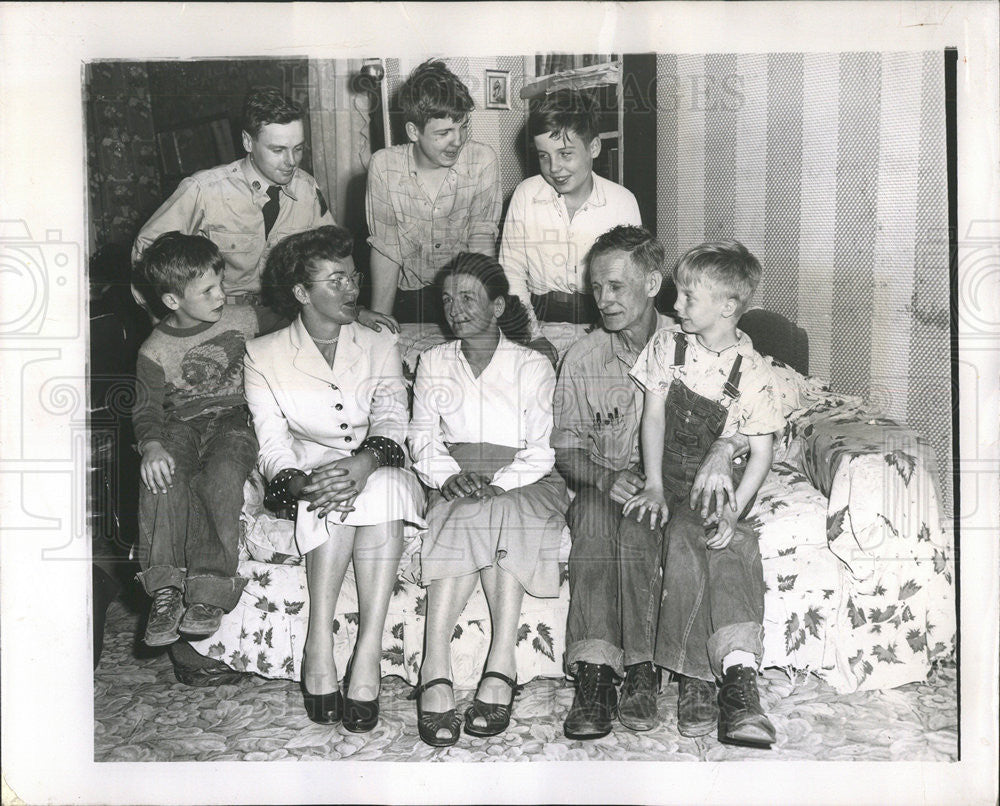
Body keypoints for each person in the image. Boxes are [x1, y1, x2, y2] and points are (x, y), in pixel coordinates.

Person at [553, 225, 747, 741]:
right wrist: (606, 476)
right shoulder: (582, 359)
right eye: (596, 287)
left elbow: (753, 415)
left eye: (616, 286)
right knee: (594, 518)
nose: (604, 299)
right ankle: (598, 674)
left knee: (702, 526)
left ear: (654, 283)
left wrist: (725, 451)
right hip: (610, 486)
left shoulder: (705, 339)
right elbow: (566, 449)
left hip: (681, 484)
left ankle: (694, 675)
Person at [244, 225, 426, 731]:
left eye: (353, 278)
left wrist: (365, 462)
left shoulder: (377, 343)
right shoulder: (263, 355)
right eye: (336, 281)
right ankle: (318, 643)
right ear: (302, 293)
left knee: (384, 489)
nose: (353, 291)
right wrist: (303, 483)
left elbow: (392, 417)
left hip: (380, 463)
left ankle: (366, 652)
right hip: (311, 476)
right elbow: (273, 444)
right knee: (332, 491)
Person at [621, 239, 785, 749]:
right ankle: (641, 669)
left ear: (728, 306)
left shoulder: (753, 372)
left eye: (689, 297)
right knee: (633, 529)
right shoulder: (666, 347)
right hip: (662, 472)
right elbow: (652, 417)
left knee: (694, 539)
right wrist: (651, 483)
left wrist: (734, 512)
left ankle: (696, 677)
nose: (675, 306)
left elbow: (761, 453)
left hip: (712, 489)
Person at [407, 252, 568, 746]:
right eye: (448, 299)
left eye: (469, 299)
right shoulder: (433, 361)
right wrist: (447, 476)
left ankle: (501, 662)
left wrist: (500, 482)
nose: (455, 309)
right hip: (456, 471)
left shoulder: (533, 364)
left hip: (526, 476)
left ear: (498, 306)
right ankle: (435, 665)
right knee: (465, 507)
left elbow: (541, 450)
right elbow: (421, 438)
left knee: (496, 507)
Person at [132, 232, 262, 647]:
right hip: (180, 425)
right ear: (173, 301)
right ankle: (166, 590)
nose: (221, 295)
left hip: (234, 418)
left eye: (220, 283)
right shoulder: (153, 350)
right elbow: (147, 409)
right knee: (163, 479)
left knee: (222, 476)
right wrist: (151, 445)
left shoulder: (245, 318)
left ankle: (207, 590)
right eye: (207, 290)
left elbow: (303, 309)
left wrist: (363, 312)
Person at [135, 87, 339, 310]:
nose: (291, 161)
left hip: (286, 310)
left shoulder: (307, 188)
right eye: (278, 149)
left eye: (298, 149)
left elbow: (331, 253)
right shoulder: (204, 190)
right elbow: (146, 250)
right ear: (248, 142)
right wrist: (162, 316)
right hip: (221, 313)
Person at [499, 89, 641, 350]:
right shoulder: (525, 195)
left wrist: (600, 338)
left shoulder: (622, 202)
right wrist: (532, 336)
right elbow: (511, 273)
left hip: (603, 330)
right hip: (534, 325)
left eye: (565, 154)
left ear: (594, 147)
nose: (554, 168)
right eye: (544, 156)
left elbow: (629, 284)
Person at [366, 59, 502, 325]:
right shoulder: (383, 167)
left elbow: (481, 240)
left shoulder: (483, 160)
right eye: (444, 132)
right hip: (409, 300)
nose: (458, 141)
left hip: (465, 294)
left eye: (463, 127)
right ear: (413, 131)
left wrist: (483, 316)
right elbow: (386, 250)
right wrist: (381, 323)